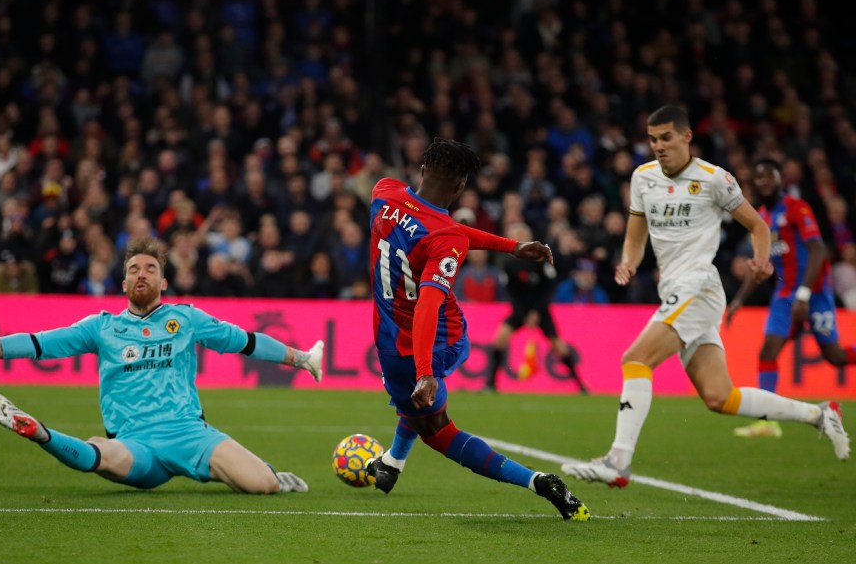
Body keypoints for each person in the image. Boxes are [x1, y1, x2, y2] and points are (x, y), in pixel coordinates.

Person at [561, 106, 849, 488]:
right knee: (719, 398)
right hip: (676, 291)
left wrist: (761, 259)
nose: (658, 146)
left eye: (666, 137)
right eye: (652, 139)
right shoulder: (643, 178)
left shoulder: (714, 179)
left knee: (635, 359)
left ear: (686, 136)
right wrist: (628, 262)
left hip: (699, 287)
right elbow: (636, 233)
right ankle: (820, 415)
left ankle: (618, 461)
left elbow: (758, 225)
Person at [0, 237, 323, 494]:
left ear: (164, 282)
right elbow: (37, 343)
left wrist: (301, 358)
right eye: (133, 269)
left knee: (263, 485)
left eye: (150, 269)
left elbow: (247, 342)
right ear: (123, 284)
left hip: (189, 433)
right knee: (102, 456)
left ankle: (259, 472)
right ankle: (40, 433)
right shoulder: (101, 328)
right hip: (136, 443)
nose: (141, 274)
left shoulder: (188, 319)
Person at [363, 139, 589, 521]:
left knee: (436, 429)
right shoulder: (447, 236)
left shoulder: (383, 191)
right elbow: (446, 233)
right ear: (460, 188)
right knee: (418, 412)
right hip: (427, 333)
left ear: (422, 170)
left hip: (417, 342)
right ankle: (392, 461)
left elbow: (428, 307)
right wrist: (512, 246)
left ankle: (536, 481)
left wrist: (425, 372)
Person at [725, 158, 856, 438]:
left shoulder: (797, 208)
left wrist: (805, 294)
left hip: (815, 293)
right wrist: (738, 300)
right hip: (784, 296)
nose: (763, 182)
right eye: (758, 178)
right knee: (767, 351)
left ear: (779, 179)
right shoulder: (760, 217)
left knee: (835, 356)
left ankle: (768, 419)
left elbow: (819, 250)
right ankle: (767, 422)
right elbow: (759, 264)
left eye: (768, 176)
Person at [486, 222, 587, 393]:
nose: (518, 237)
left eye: (521, 234)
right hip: (520, 310)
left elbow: (548, 290)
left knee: (558, 346)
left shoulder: (540, 258)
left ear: (529, 237)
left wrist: (535, 312)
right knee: (498, 340)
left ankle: (580, 385)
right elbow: (512, 293)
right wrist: (524, 314)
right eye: (514, 234)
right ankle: (490, 384)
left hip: (540, 310)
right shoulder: (508, 264)